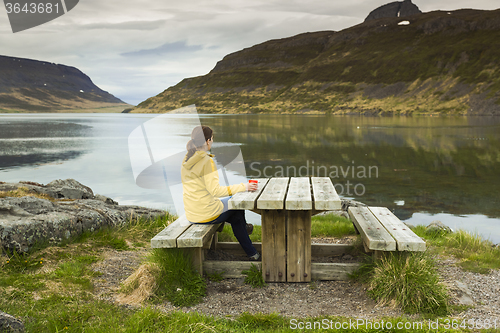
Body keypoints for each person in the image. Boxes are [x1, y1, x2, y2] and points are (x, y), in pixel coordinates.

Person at [181, 125, 260, 260]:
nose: (212, 141)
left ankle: (251, 248)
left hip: (192, 212)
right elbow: (216, 191)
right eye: (212, 138)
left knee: (234, 210)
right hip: (205, 213)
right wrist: (244, 186)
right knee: (236, 207)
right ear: (207, 141)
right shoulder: (207, 161)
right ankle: (251, 248)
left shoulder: (187, 159)